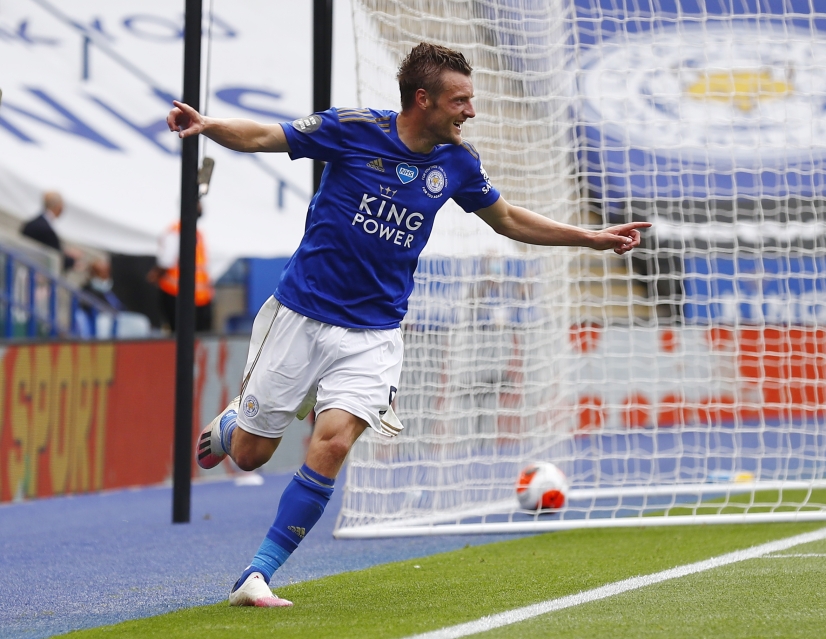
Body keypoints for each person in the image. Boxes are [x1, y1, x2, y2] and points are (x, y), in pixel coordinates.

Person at [166, 42, 649, 608]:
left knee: (333, 441)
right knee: (250, 456)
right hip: (301, 315)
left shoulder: (458, 164)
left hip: (373, 334)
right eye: (460, 100)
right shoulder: (350, 128)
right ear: (424, 100)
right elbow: (263, 137)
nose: (470, 111)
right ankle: (234, 426)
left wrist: (589, 237)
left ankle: (258, 574)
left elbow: (509, 219)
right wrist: (207, 125)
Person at [148, 202, 215, 333]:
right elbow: (166, 260)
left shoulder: (197, 233)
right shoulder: (177, 231)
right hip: (178, 294)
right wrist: (156, 274)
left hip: (197, 297)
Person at [21, 191, 79, 271]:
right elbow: (58, 258)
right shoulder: (47, 230)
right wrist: (72, 260)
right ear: (59, 207)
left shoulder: (31, 223)